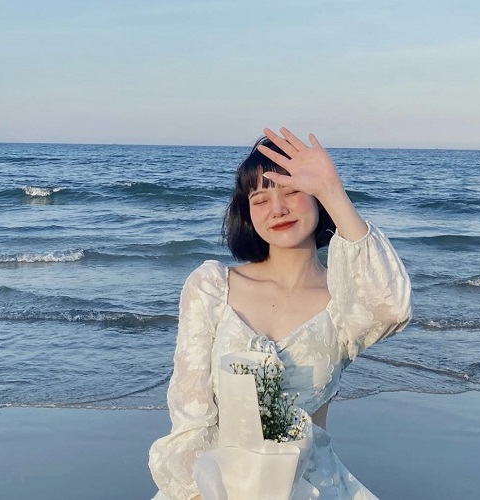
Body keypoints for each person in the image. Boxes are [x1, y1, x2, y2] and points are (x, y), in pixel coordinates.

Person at [149, 127, 411, 499]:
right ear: (247, 214)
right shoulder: (212, 287)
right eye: (260, 199)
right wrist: (199, 493)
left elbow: (391, 307)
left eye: (291, 191)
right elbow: (190, 415)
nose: (277, 209)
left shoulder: (343, 305)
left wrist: (332, 190)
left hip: (313, 487)